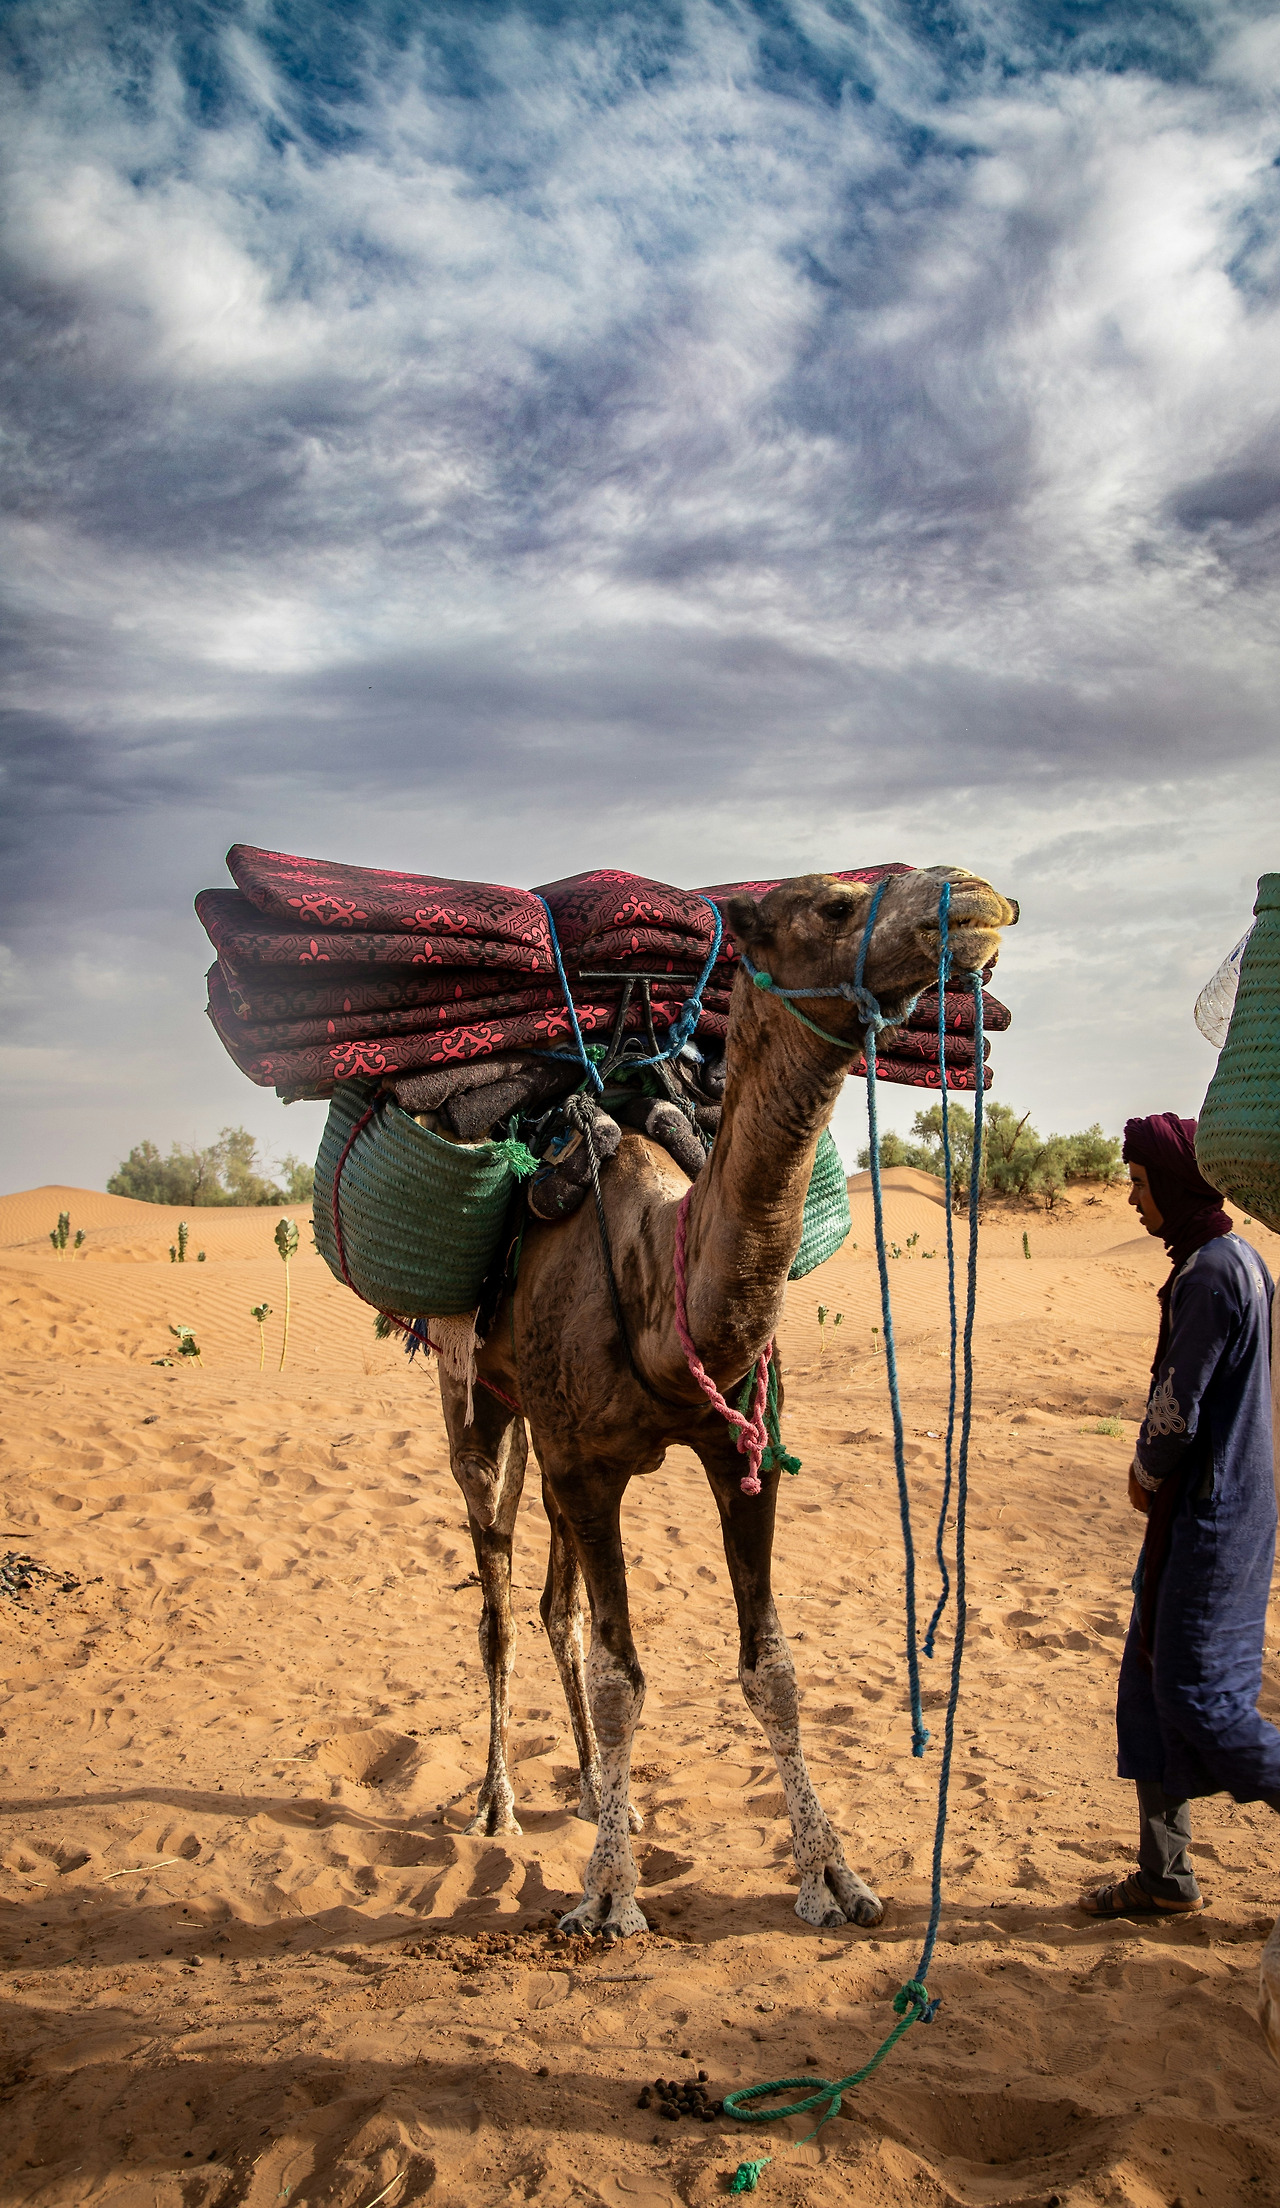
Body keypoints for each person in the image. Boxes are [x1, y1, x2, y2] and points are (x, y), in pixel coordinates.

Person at [1081, 1112, 1280, 1918]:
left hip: (1211, 1512)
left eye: (1138, 1183)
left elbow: (1178, 1409)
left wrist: (1143, 1468)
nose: (1131, 1198)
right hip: (1210, 1509)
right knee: (1148, 1687)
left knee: (1204, 1700)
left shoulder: (1209, 1275)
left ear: (1173, 1183)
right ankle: (1165, 1876)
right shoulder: (1233, 1259)